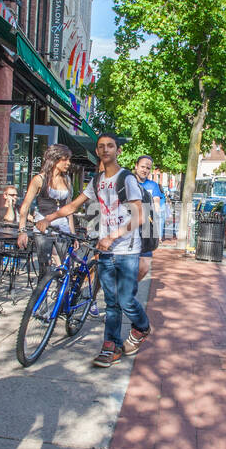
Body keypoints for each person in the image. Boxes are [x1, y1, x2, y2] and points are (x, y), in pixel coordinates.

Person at [36, 133, 152, 366]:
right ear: (97, 152)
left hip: (127, 250)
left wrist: (112, 237)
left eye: (110, 146)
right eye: (101, 147)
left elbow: (140, 215)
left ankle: (142, 327)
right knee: (111, 303)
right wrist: (49, 218)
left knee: (127, 300)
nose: (105, 149)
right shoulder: (96, 181)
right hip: (106, 251)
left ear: (118, 151)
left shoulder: (127, 179)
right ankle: (111, 347)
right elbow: (72, 205)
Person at [16, 144, 75, 277]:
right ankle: (41, 296)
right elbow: (25, 206)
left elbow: (69, 209)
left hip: (62, 228)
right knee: (45, 268)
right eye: (65, 159)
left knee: (65, 268)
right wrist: (22, 231)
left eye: (69, 159)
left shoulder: (67, 180)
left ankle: (61, 295)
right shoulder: (39, 179)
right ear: (54, 159)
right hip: (43, 227)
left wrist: (73, 234)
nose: (68, 163)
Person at [134, 155, 166, 281]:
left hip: (146, 230)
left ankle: (130, 289)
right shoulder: (128, 181)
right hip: (129, 229)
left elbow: (156, 204)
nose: (145, 170)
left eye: (148, 168)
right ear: (136, 166)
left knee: (144, 268)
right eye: (142, 166)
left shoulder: (153, 186)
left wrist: (156, 228)